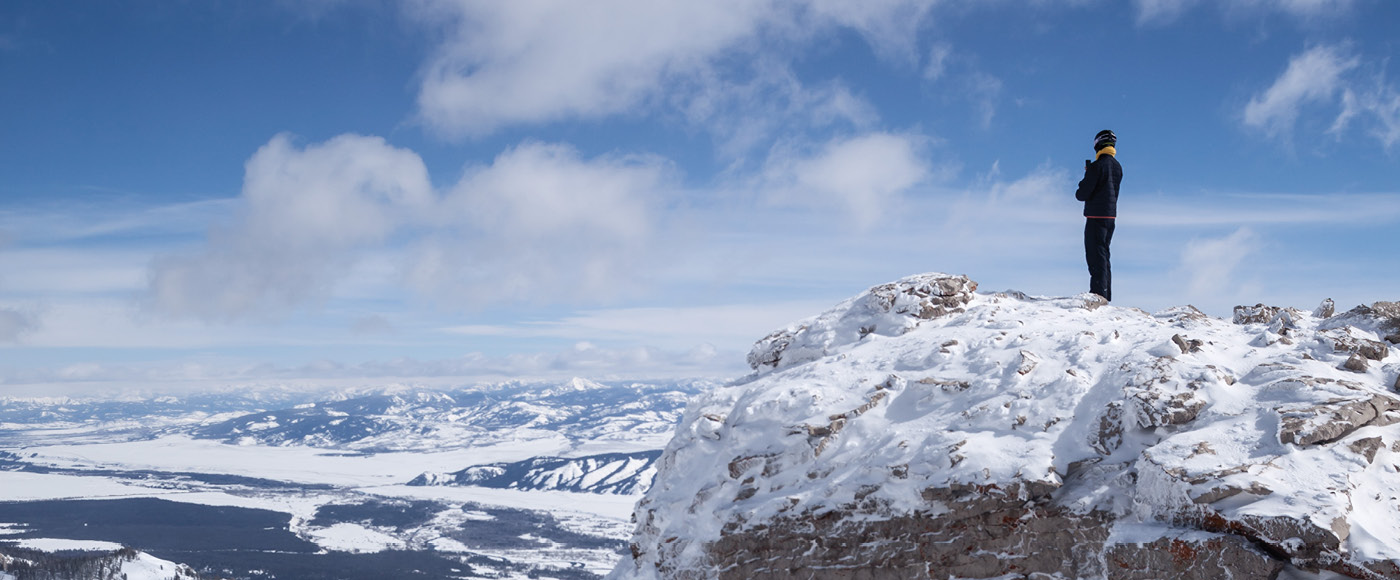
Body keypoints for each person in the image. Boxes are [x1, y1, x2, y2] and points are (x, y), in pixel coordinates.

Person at [1075, 129, 1122, 302]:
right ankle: (1105, 294)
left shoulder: (1097, 167)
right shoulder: (1117, 166)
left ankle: (1098, 295)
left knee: (1095, 256)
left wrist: (1087, 175)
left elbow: (1082, 194)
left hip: (1095, 217)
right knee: (1104, 255)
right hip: (1111, 217)